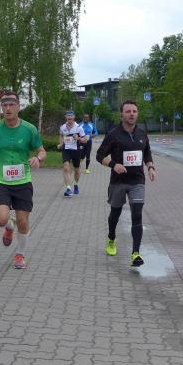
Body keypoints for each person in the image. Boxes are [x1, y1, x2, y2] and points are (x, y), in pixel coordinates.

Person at [0, 90, 47, 270]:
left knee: (23, 221)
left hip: (23, 182)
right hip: (1, 181)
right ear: (1, 108)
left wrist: (38, 158)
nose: (8, 108)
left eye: (11, 105)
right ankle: (9, 226)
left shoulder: (29, 129)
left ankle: (20, 254)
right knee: (0, 220)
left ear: (18, 107)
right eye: (4, 105)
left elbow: (42, 151)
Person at [95, 100, 156, 267]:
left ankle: (135, 253)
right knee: (115, 214)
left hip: (137, 181)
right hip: (118, 182)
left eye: (134, 111)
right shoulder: (113, 134)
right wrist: (114, 165)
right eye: (128, 111)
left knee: (137, 214)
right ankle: (111, 238)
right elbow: (99, 155)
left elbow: (147, 153)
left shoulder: (142, 134)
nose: (131, 114)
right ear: (121, 114)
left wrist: (151, 167)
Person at [57, 111, 87, 197]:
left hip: (76, 150)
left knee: (76, 170)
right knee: (66, 168)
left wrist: (79, 138)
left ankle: (76, 184)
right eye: (68, 115)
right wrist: (60, 144)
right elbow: (61, 135)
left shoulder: (78, 128)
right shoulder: (62, 127)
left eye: (71, 115)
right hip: (66, 150)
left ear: (74, 117)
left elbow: (85, 140)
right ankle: (68, 188)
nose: (69, 117)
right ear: (65, 117)